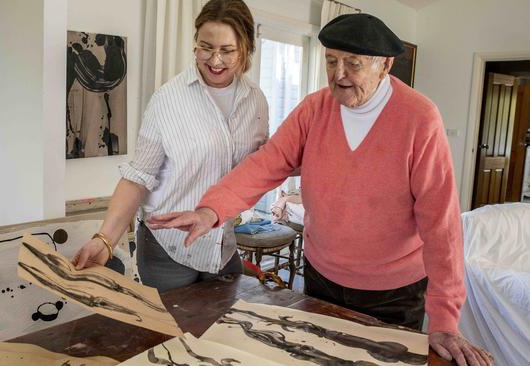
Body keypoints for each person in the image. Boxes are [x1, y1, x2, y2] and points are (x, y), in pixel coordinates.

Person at [147, 13, 493, 366]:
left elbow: (442, 224)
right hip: (321, 277)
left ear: (385, 65)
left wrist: (445, 319)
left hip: (392, 292)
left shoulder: (420, 118)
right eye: (331, 61)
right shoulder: (314, 109)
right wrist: (211, 209)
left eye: (352, 64)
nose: (338, 74)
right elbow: (267, 163)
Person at [72, 0, 268, 293]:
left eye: (227, 51)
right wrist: (105, 239)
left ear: (246, 48)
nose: (215, 60)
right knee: (171, 335)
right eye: (206, 47)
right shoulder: (168, 99)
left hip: (222, 245)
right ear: (195, 45)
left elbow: (261, 166)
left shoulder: (256, 100)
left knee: (221, 332)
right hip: (167, 248)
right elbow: (138, 178)